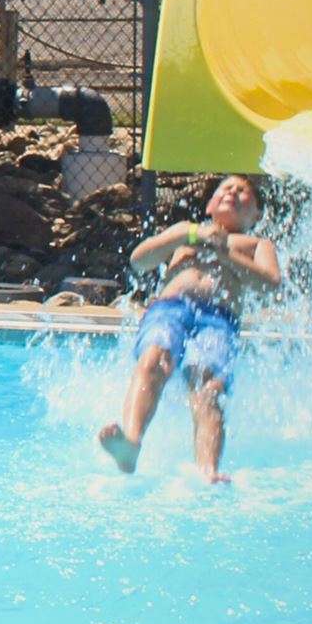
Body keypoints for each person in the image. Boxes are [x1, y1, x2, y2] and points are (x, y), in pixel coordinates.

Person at [97, 173, 281, 484]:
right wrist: (187, 236)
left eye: (243, 191)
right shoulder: (184, 231)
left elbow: (270, 284)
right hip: (170, 308)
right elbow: (140, 261)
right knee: (155, 360)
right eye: (226, 188)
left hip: (219, 318)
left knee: (208, 385)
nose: (233, 192)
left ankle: (208, 467)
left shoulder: (256, 244)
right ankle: (131, 443)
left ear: (258, 214)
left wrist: (227, 254)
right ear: (209, 205)